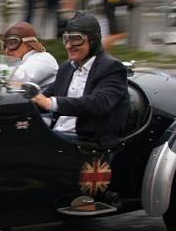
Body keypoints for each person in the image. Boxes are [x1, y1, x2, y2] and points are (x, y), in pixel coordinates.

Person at [31, 12, 129, 147]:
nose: (68, 46)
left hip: (86, 143)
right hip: (57, 135)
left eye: (76, 39)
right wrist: (20, 99)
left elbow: (98, 103)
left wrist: (50, 103)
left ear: (93, 40)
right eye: (66, 39)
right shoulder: (67, 67)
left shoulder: (112, 68)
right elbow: (44, 97)